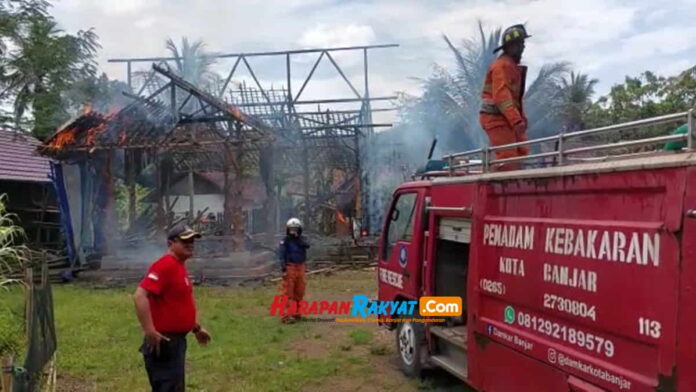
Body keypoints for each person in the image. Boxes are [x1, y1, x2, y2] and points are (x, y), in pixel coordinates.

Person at [133, 224, 212, 392]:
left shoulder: (179, 266)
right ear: (170, 244)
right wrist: (149, 331)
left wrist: (196, 328)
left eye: (192, 241)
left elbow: (178, 304)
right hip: (164, 341)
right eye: (185, 241)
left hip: (176, 341)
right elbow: (140, 296)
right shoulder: (165, 265)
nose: (190, 244)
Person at [480, 24, 532, 171]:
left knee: (522, 151)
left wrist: (521, 118)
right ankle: (498, 187)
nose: (523, 47)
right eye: (520, 43)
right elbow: (501, 97)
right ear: (511, 46)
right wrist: (516, 121)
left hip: (506, 119)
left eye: (523, 43)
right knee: (508, 158)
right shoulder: (501, 66)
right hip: (496, 119)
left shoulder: (511, 67)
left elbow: (515, 99)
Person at [278, 218, 310, 323]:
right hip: (290, 267)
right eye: (291, 229)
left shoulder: (301, 240)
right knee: (287, 292)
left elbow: (307, 246)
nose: (293, 231)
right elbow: (281, 254)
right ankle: (286, 316)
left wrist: (298, 238)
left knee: (299, 291)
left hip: (300, 267)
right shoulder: (285, 241)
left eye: (295, 229)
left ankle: (297, 313)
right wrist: (283, 268)